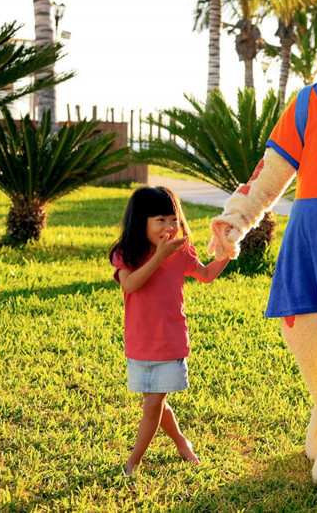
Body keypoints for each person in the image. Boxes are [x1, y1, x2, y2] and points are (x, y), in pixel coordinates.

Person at [109, 186, 229, 476]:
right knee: (155, 405)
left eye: (173, 219)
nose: (169, 226)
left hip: (170, 342)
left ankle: (133, 462)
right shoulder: (126, 254)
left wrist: (228, 250)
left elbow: (206, 274)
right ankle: (182, 443)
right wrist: (159, 256)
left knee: (153, 405)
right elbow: (130, 285)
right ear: (141, 221)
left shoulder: (181, 251)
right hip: (140, 343)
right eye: (160, 220)